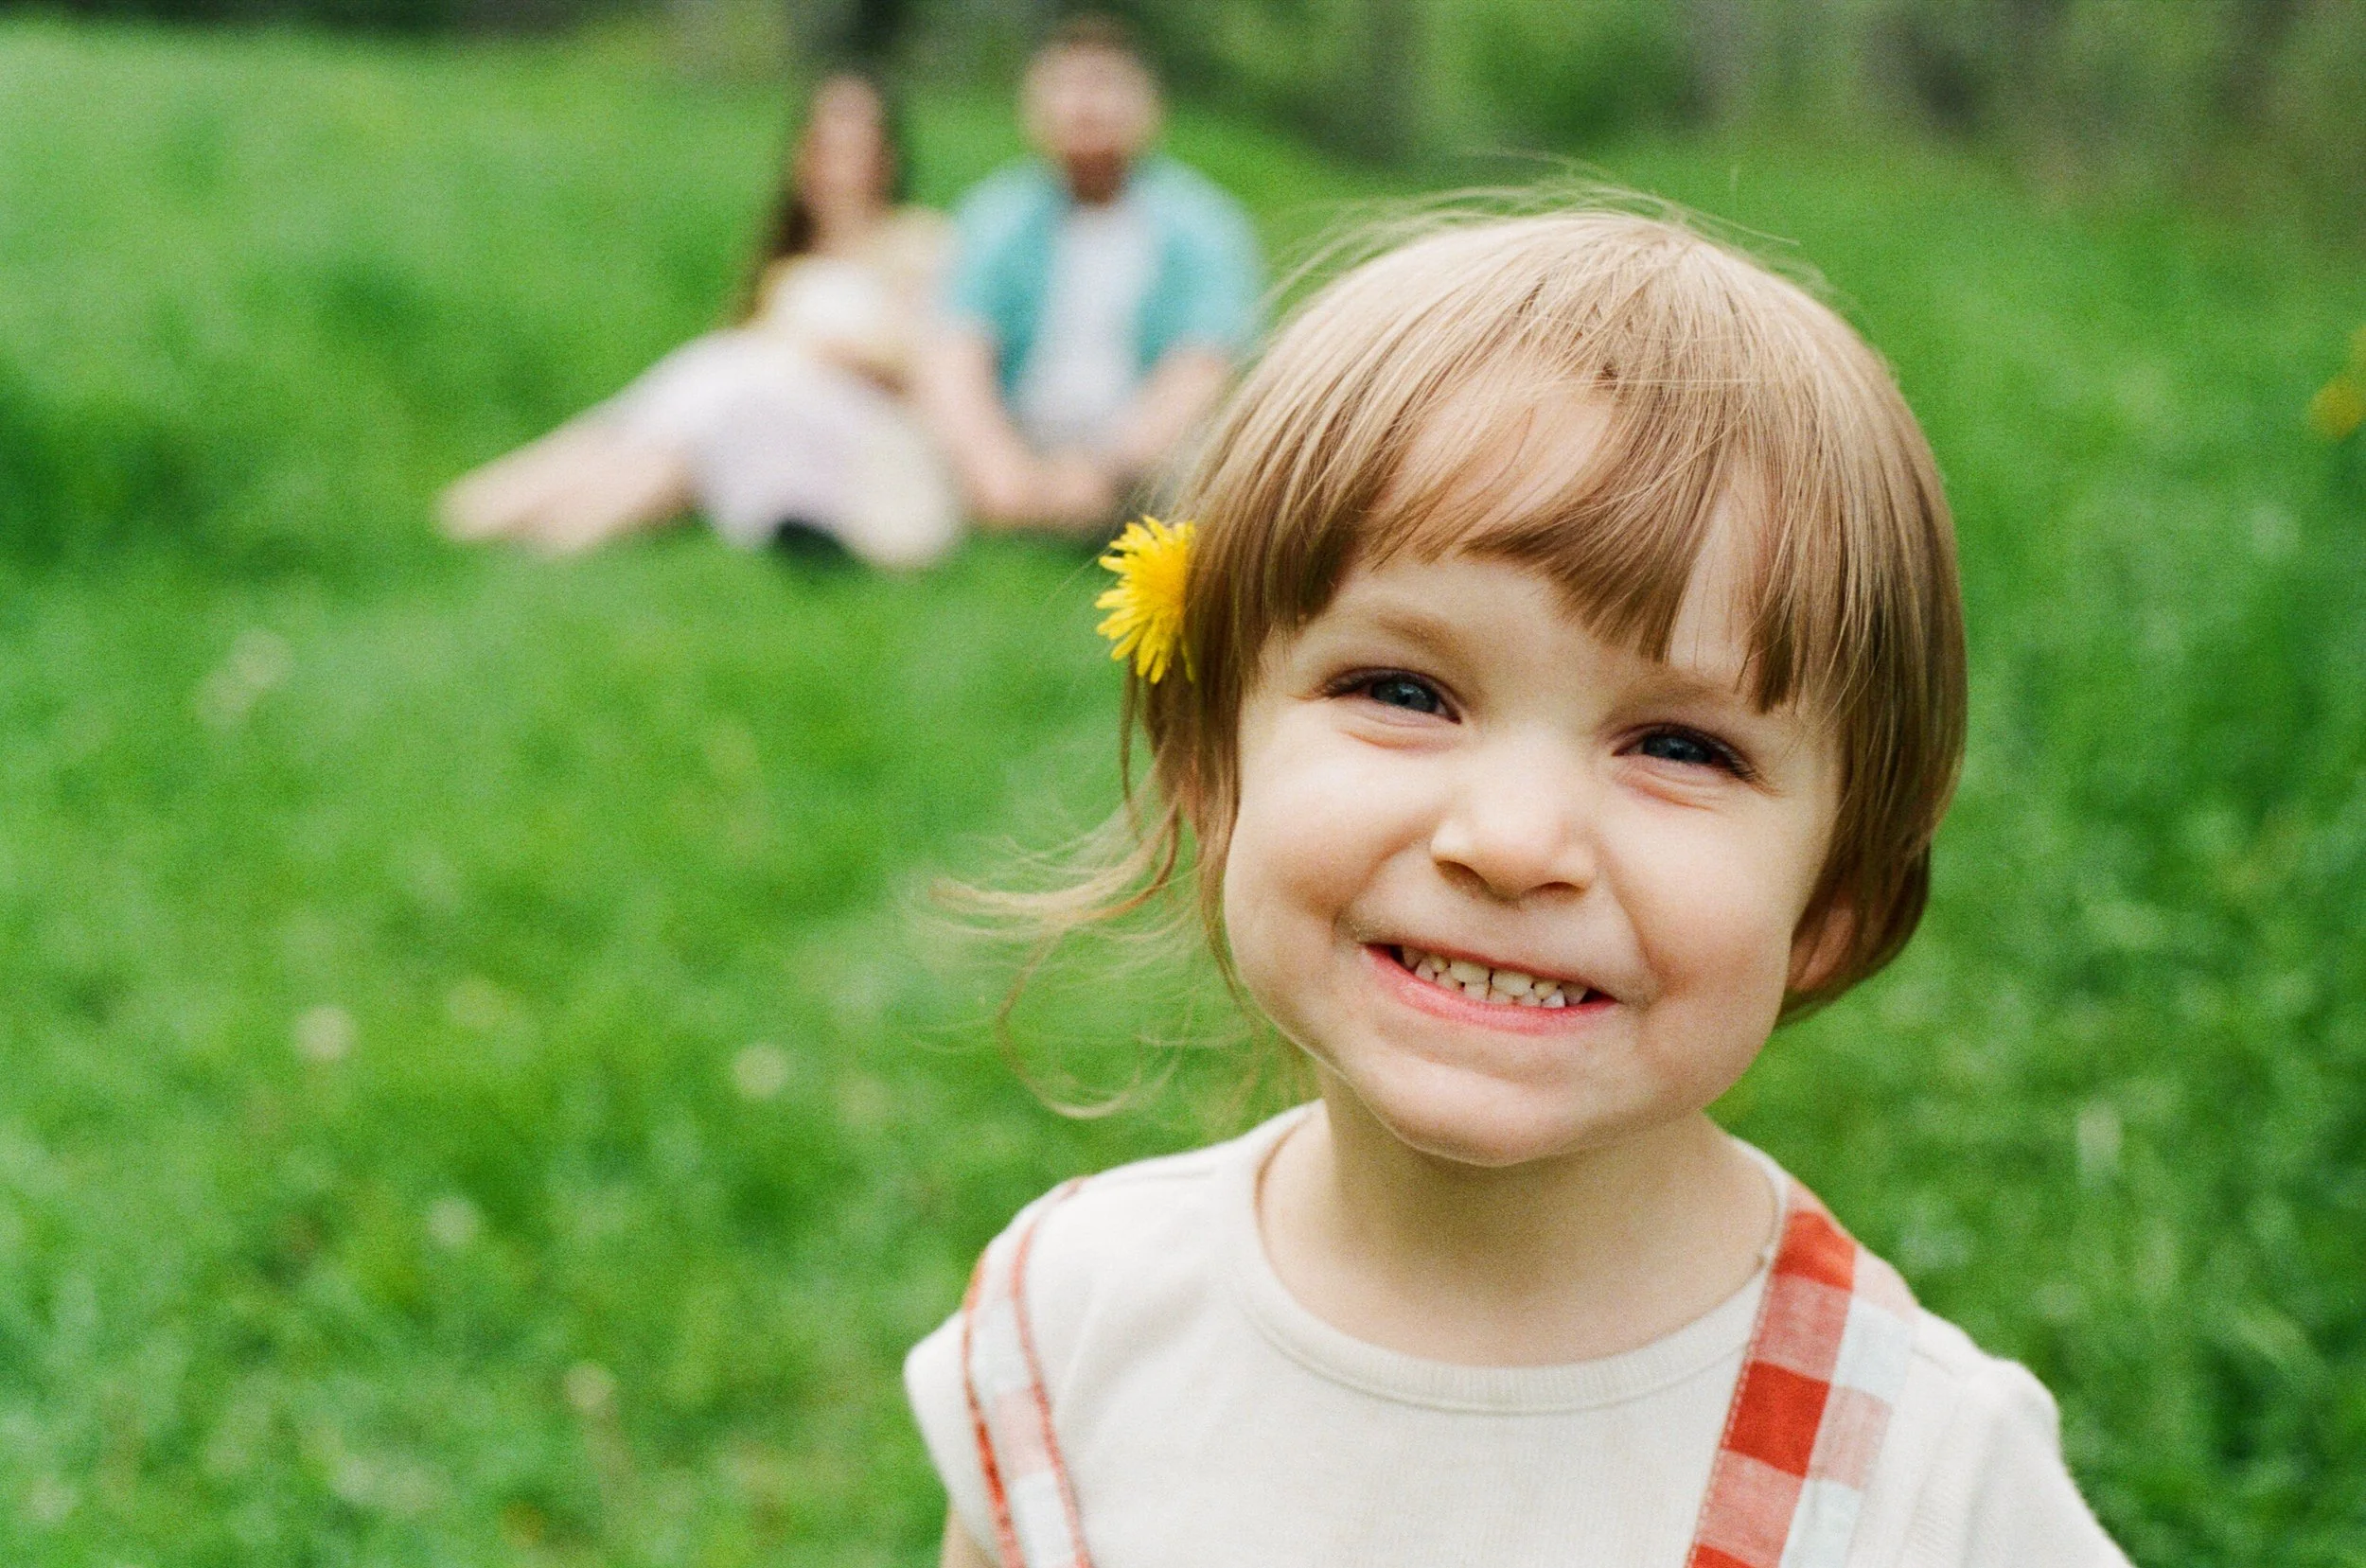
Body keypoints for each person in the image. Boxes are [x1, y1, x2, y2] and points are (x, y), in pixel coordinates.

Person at [903, 207, 2134, 1567]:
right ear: (1213, 766)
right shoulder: (1071, 1326)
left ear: (1833, 903)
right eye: (1403, 690)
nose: (1510, 837)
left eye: (1680, 745)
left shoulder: (1919, 1476)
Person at [440, 74, 957, 567]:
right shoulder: (785, 261)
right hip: (731, 404)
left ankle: (553, 542)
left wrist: (826, 349)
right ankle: (485, 514)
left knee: (713, 408)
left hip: (836, 425)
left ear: (887, 154)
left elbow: (932, 362)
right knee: (677, 407)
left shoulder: (916, 240)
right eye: (827, 144)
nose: (841, 165)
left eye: (856, 144)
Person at [918, 15, 1262, 537]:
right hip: (1017, 440)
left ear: (1148, 107)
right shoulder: (997, 215)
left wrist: (1104, 471)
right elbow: (955, 354)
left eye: (1104, 86)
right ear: (1033, 109)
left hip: (1143, 459)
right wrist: (995, 467)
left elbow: (1202, 368)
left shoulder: (1204, 225)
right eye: (1068, 87)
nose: (1086, 106)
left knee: (1229, 482)